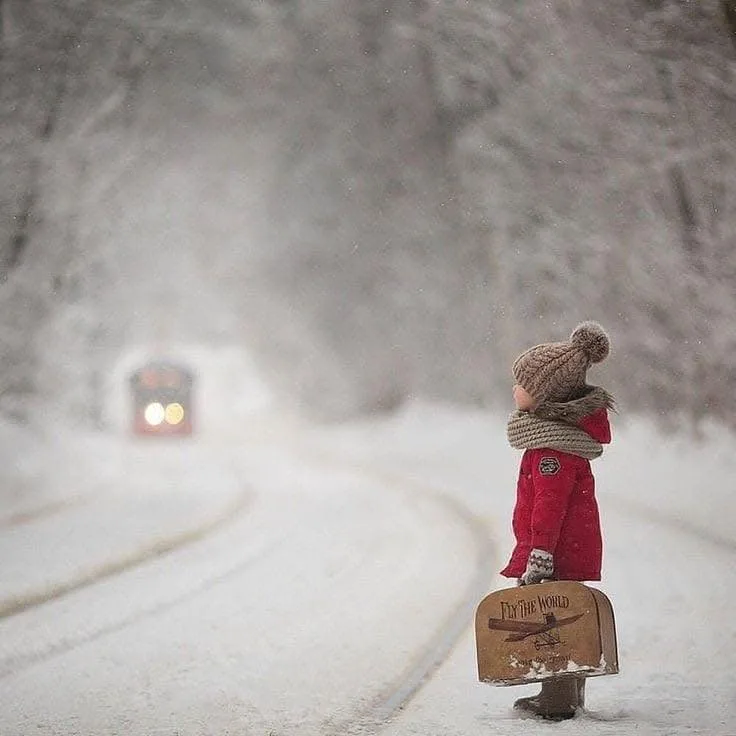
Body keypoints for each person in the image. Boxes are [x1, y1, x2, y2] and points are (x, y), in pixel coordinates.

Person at [500, 320, 614, 720]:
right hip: (564, 548)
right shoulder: (552, 439)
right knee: (561, 616)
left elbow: (549, 505)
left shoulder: (554, 449)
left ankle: (559, 697)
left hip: (558, 550)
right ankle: (565, 691)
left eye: (522, 385)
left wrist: (540, 553)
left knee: (554, 620)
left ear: (545, 395)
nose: (515, 391)